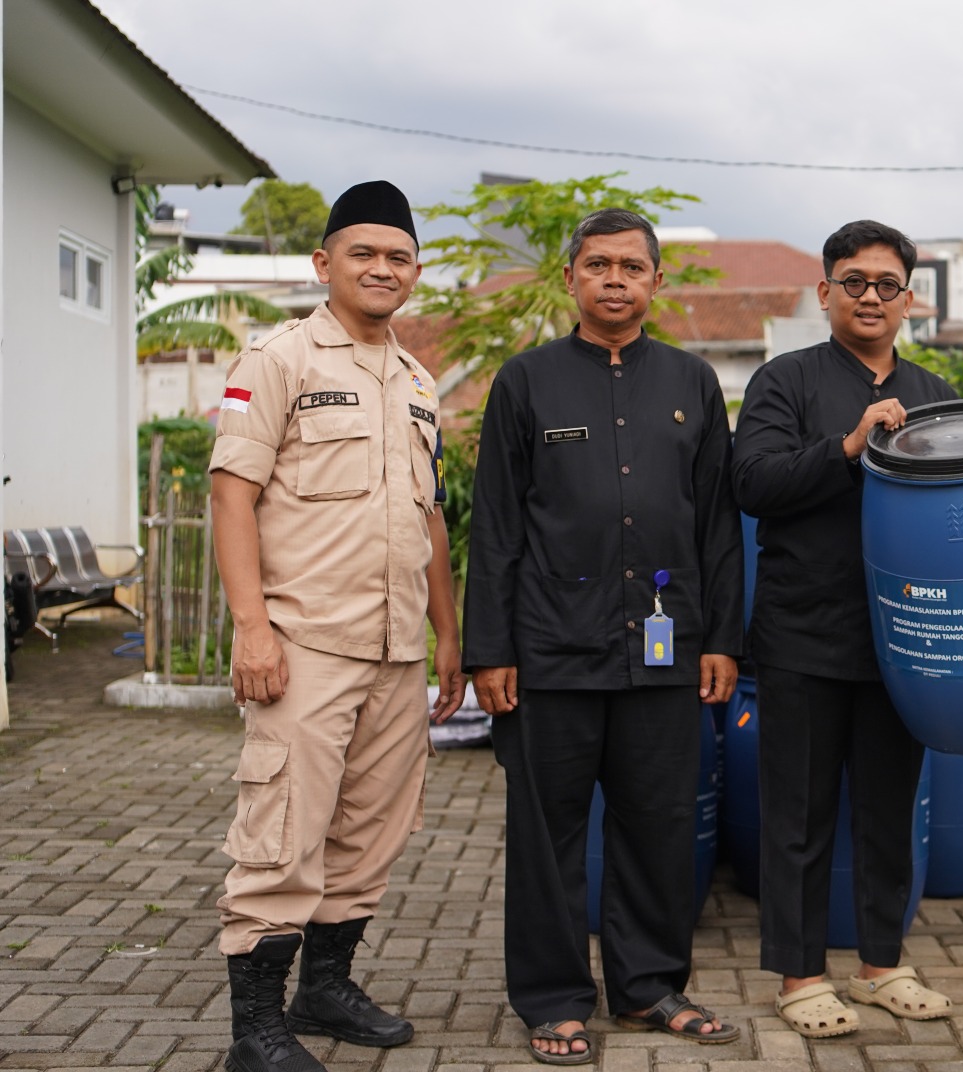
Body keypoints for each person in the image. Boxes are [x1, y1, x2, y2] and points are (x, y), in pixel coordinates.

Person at [464, 208, 745, 1062]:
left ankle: (649, 987)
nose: (615, 279)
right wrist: (491, 650)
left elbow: (718, 526)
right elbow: (498, 525)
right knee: (546, 836)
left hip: (664, 653)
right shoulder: (526, 382)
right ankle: (553, 998)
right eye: (598, 265)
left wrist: (721, 638)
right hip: (552, 650)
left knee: (659, 823)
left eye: (632, 266)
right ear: (570, 280)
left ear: (658, 281)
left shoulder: (694, 384)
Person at [209, 180, 465, 1072]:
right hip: (306, 641)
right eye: (364, 253)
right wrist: (252, 629)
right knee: (282, 834)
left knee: (366, 836)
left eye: (399, 256)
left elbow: (428, 515)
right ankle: (256, 1031)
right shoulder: (279, 360)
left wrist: (449, 634)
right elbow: (231, 495)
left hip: (397, 651)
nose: (382, 268)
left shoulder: (418, 379)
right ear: (325, 264)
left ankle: (324, 991)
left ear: (415, 272)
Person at [732, 220, 958, 1038]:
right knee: (797, 815)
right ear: (824, 292)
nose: (871, 296)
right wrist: (848, 446)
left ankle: (881, 966)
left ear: (910, 299)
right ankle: (799, 978)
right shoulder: (783, 383)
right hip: (803, 636)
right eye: (854, 281)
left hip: (901, 640)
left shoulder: (936, 394)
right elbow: (753, 483)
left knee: (889, 811)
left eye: (886, 284)